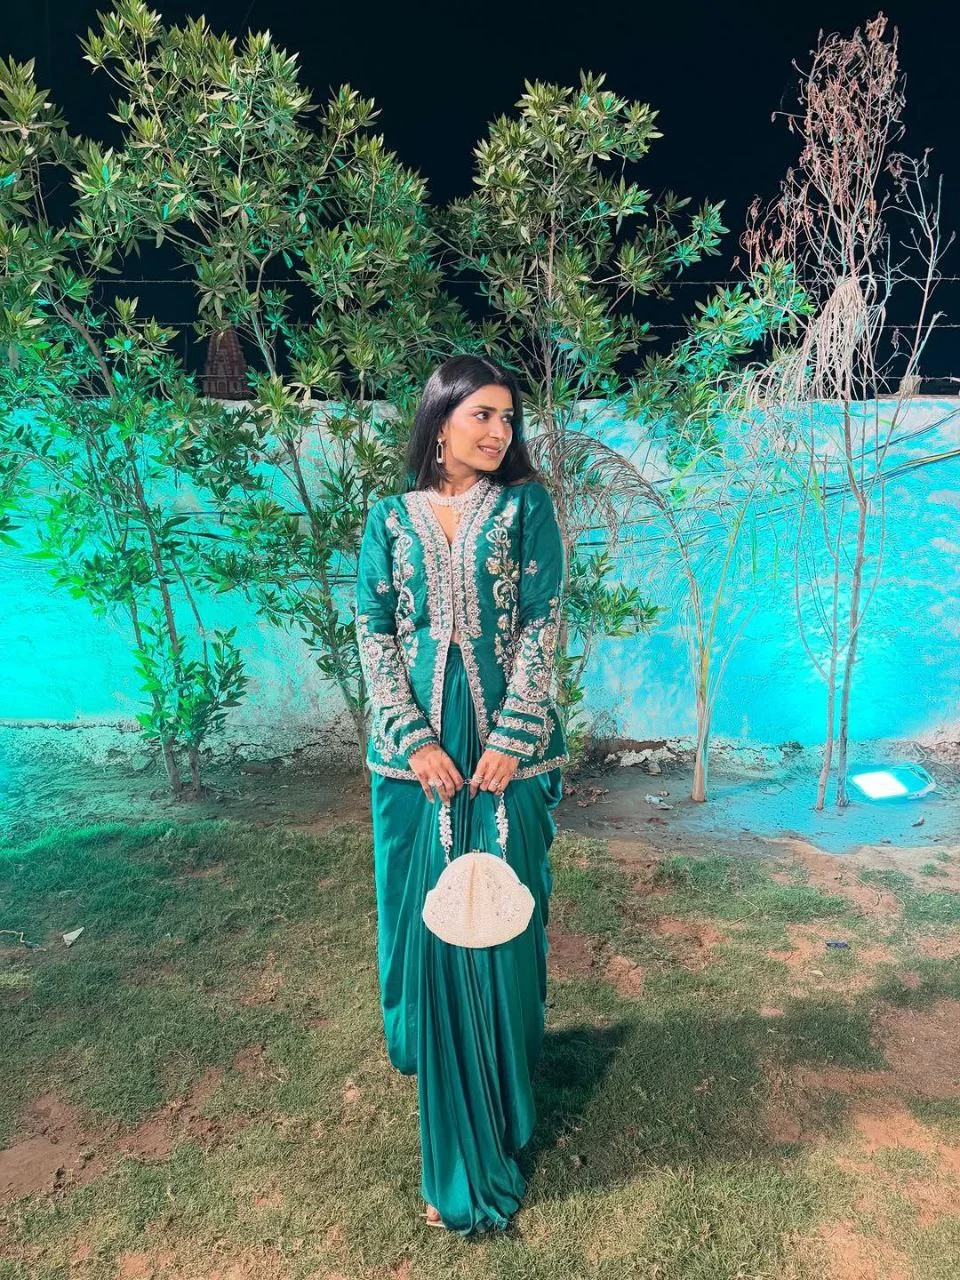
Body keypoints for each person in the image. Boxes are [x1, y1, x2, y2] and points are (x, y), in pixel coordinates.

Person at [354, 353, 569, 1235]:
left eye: (508, 418)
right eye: (482, 414)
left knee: (500, 926)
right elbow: (373, 633)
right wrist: (413, 739)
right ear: (439, 420)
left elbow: (545, 623)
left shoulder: (525, 509)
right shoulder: (389, 519)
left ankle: (503, 1112)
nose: (499, 432)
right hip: (417, 764)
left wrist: (513, 738)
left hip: (503, 757)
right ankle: (455, 1150)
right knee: (436, 935)